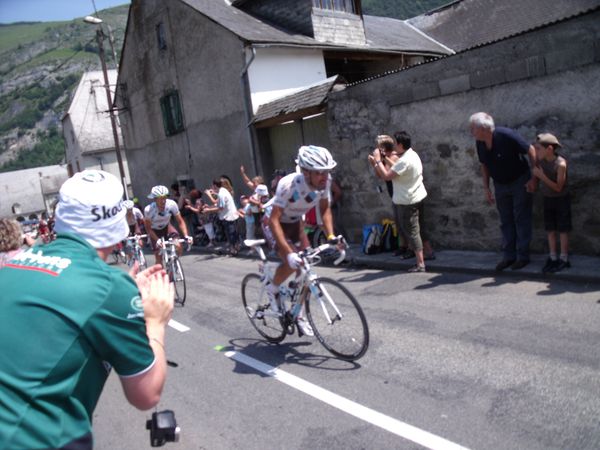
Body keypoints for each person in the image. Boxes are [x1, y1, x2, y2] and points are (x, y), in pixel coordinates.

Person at [0, 170, 174, 449]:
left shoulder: (18, 262)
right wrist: (155, 321)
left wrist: (117, 291)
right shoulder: (108, 287)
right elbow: (146, 395)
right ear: (118, 224)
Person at [264, 145, 342, 336]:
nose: (324, 177)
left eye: (327, 172)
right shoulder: (288, 185)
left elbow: (324, 209)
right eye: (319, 173)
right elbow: (274, 220)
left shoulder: (325, 182)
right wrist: (289, 254)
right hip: (273, 222)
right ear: (306, 172)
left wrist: (331, 236)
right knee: (292, 262)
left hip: (295, 222)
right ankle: (272, 288)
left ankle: (297, 314)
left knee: (306, 270)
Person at [469, 112, 536, 271]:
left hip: (520, 181)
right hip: (500, 184)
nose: (471, 132)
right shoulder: (480, 143)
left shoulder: (506, 135)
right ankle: (509, 256)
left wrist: (534, 177)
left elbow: (531, 149)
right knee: (506, 221)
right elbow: (484, 165)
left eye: (473, 128)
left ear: (483, 128)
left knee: (521, 218)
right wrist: (486, 187)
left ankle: (523, 257)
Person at [368, 132, 435, 272]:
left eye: (395, 143)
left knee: (413, 232)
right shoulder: (412, 155)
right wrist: (385, 158)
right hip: (418, 196)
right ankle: (429, 253)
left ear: (399, 144)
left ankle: (420, 264)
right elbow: (397, 168)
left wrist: (377, 161)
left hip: (407, 200)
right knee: (421, 228)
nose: (393, 146)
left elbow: (387, 176)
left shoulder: (404, 160)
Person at [532, 133, 572, 273]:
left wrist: (541, 176)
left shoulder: (560, 164)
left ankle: (564, 258)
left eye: (538, 149)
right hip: (548, 199)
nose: (536, 152)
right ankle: (553, 257)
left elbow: (558, 187)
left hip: (561, 199)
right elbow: (536, 175)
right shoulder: (541, 161)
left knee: (562, 229)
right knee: (550, 229)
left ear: (549, 148)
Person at [144, 185, 193, 266]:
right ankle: (161, 273)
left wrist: (186, 236)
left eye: (164, 198)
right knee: (159, 258)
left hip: (167, 227)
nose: (163, 201)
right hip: (154, 231)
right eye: (160, 198)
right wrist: (157, 240)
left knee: (178, 246)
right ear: (155, 199)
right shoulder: (149, 210)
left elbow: (180, 221)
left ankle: (173, 262)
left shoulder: (171, 204)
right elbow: (148, 229)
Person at [202, 178, 240, 256]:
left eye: (212, 186)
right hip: (231, 215)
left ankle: (234, 250)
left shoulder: (221, 194)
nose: (211, 187)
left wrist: (208, 210)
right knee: (233, 233)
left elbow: (220, 208)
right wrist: (214, 193)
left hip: (228, 217)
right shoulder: (223, 190)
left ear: (215, 186)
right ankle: (236, 248)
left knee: (231, 234)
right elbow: (219, 202)